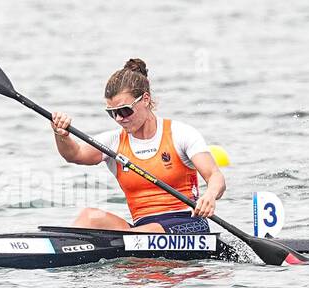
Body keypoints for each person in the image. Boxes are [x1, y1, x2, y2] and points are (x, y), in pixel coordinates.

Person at [50, 58, 224, 233]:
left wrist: (210, 195)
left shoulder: (180, 133)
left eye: (124, 110)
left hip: (188, 224)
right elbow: (75, 154)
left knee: (139, 234)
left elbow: (215, 176)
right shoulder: (114, 142)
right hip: (142, 229)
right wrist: (61, 134)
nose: (119, 118)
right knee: (89, 217)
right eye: (112, 113)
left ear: (146, 99)